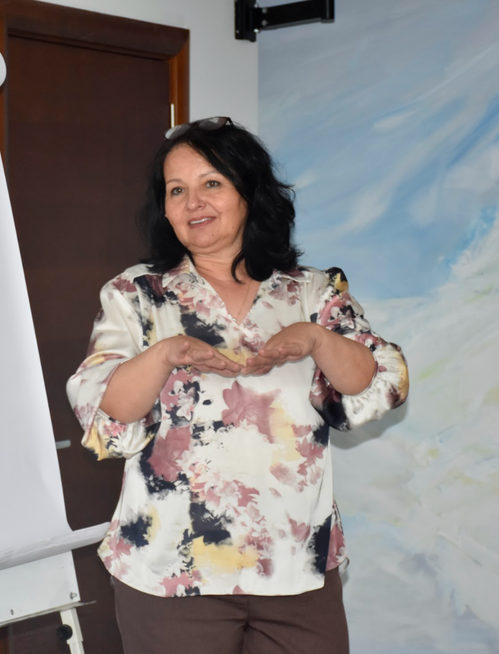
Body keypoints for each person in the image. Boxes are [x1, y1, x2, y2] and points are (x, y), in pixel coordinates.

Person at [66, 117, 409, 654]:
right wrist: (166, 353)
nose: (192, 202)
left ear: (250, 192)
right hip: (171, 570)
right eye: (175, 190)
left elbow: (374, 381)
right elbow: (110, 408)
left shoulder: (311, 291)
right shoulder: (136, 294)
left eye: (211, 183)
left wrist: (318, 339)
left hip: (296, 566)